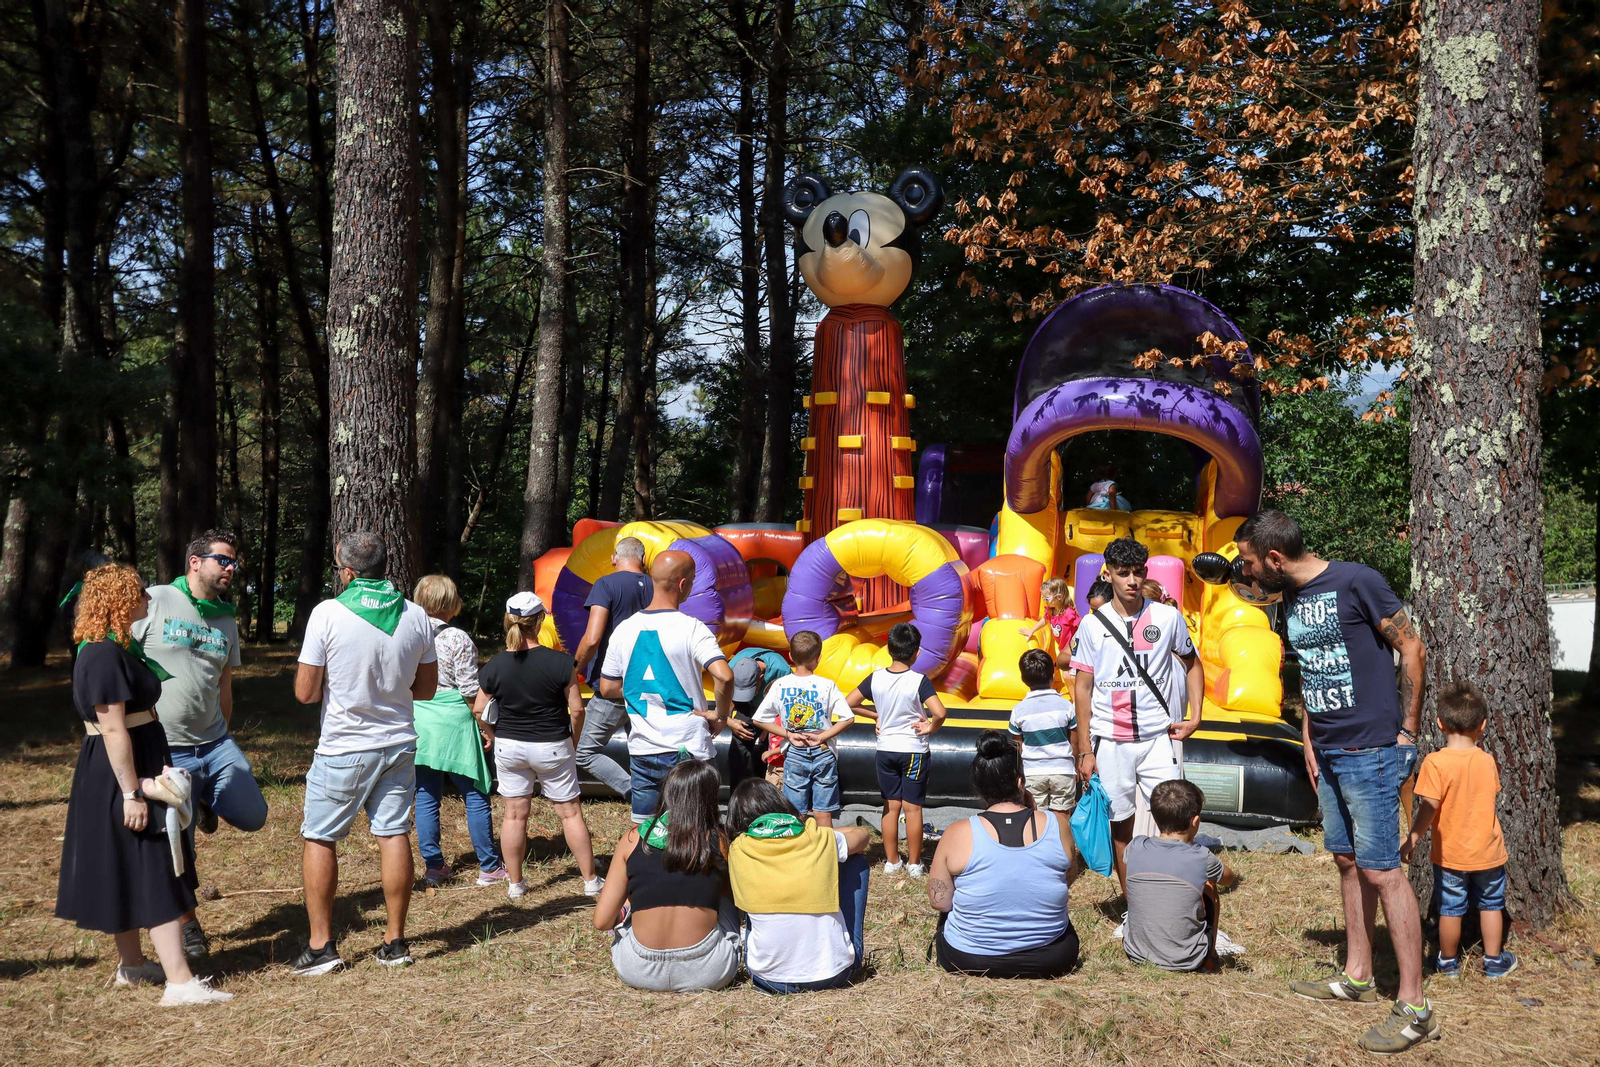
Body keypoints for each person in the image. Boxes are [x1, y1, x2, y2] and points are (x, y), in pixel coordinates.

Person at [1234, 510, 1434, 1055]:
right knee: (1347, 861)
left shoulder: (1356, 580)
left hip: (1370, 750)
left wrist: (1407, 731)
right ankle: (1358, 975)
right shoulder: (1291, 598)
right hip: (1327, 749)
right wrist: (1308, 736)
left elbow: (1412, 648)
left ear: (1275, 558)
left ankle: (1415, 1006)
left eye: (1252, 561)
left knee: (1382, 870)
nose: (1248, 570)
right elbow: (1314, 669)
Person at [56, 564, 232, 1005]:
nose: (148, 600)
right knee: (156, 864)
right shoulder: (102, 654)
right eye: (139, 593)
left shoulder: (115, 647)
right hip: (125, 772)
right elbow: (113, 730)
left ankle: (133, 967)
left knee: (126, 864)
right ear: (117, 600)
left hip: (133, 763)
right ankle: (179, 982)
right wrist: (132, 793)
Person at [291, 532, 438, 975]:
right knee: (393, 834)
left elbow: (305, 692)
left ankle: (321, 947)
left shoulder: (327, 613)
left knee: (320, 837)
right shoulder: (416, 616)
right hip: (398, 742)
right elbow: (427, 689)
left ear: (348, 572)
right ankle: (395, 943)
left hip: (344, 746)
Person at [132, 529, 268, 961]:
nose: (231, 568)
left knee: (254, 815)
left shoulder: (225, 619)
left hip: (215, 742)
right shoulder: (155, 601)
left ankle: (207, 799)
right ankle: (189, 924)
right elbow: (122, 658)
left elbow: (224, 685)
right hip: (167, 749)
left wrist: (225, 736)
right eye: (222, 560)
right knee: (179, 849)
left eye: (233, 562)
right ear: (195, 562)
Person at [1070, 537, 1204, 895]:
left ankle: (1175, 892)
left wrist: (1196, 715)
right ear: (1108, 574)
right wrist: (1084, 750)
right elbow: (1082, 688)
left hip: (1157, 738)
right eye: (1123, 573)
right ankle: (1133, 904)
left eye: (1138, 572)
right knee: (1121, 822)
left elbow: (1192, 663)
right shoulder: (1092, 624)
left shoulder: (1167, 616)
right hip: (1111, 740)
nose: (1131, 580)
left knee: (1176, 816)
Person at [474, 592, 602, 899]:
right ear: (541, 620)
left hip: (509, 746)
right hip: (553, 746)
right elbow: (578, 709)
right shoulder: (561, 663)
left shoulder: (496, 664)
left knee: (514, 816)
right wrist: (572, 741)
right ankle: (590, 881)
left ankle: (516, 884)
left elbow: (478, 709)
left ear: (509, 621)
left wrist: (490, 732)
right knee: (570, 813)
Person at [928, 731, 1083, 978]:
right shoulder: (1057, 824)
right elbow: (1067, 877)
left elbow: (940, 901)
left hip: (969, 958)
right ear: (1021, 783)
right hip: (1052, 958)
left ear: (978, 787)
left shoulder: (957, 833)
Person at [596, 550, 734, 824]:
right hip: (688, 747)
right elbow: (725, 676)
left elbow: (607, 687)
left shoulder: (624, 629)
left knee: (645, 831)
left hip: (643, 749)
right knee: (695, 831)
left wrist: (640, 690)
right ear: (683, 584)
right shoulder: (693, 628)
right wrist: (719, 715)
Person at [593, 760, 739, 991]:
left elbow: (601, 922)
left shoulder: (633, 838)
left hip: (638, 969)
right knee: (725, 894)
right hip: (707, 971)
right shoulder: (719, 841)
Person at [1402, 681, 1515, 979]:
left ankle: (1448, 963)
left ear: (1439, 723)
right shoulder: (1488, 761)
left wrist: (1413, 836)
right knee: (1491, 904)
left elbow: (1428, 807)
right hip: (1489, 851)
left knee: (1450, 907)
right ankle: (1493, 961)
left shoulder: (1435, 763)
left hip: (1451, 853)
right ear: (1484, 725)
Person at [726, 778, 872, 993]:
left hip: (768, 979)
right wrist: (829, 837)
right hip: (835, 975)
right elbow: (863, 835)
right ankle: (844, 948)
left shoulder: (738, 848)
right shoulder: (817, 838)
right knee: (856, 861)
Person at [410, 575, 504, 888]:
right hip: (454, 721)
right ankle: (489, 865)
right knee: (475, 792)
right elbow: (467, 689)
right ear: (450, 604)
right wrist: (484, 725)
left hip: (419, 717)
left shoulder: (406, 633)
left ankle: (434, 866)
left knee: (425, 794)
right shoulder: (457, 638)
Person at [846, 622, 947, 877]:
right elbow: (940, 712)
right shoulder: (918, 681)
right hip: (913, 749)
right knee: (912, 808)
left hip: (886, 749)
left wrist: (874, 716)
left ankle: (892, 861)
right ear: (916, 653)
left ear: (888, 649)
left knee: (891, 806)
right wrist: (930, 728)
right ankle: (914, 863)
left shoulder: (876, 677)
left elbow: (849, 702)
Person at [1122, 779, 1237, 972]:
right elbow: (1228, 878)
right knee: (1209, 885)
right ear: (1195, 821)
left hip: (1136, 953)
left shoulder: (1135, 846)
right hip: (1188, 959)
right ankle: (1211, 956)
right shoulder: (1201, 857)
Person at [571, 536, 653, 801]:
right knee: (644, 749)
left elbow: (593, 638)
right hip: (650, 685)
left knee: (584, 752)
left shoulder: (606, 584)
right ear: (643, 559)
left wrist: (574, 670)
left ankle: (634, 792)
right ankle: (655, 796)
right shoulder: (658, 587)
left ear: (614, 559)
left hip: (613, 686)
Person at [751, 630, 854, 827]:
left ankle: (796, 851)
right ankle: (827, 852)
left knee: (795, 812)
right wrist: (822, 736)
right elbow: (847, 718)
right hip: (823, 751)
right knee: (823, 812)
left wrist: (789, 734)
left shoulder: (780, 685)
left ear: (790, 656)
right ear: (819, 658)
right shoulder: (827, 685)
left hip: (795, 752)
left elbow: (759, 719)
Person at [1133, 577, 1190, 839]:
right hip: (1172, 734)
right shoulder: (1181, 654)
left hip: (1154, 734)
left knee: (1153, 800)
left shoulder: (1156, 658)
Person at [1007, 649, 1078, 816]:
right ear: (1053, 677)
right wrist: (1074, 767)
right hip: (1063, 770)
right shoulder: (1066, 705)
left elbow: (1018, 747)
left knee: (1037, 819)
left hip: (1033, 772)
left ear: (1023, 679)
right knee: (1062, 818)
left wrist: (1019, 774)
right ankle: (1063, 842)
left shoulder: (1019, 710)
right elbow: (1074, 742)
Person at [724, 646, 792, 791]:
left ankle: (762, 793)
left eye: (751, 689)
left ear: (761, 677)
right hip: (744, 704)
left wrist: (769, 727)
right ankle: (737, 795)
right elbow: (724, 696)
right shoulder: (729, 668)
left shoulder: (781, 671)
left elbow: (787, 705)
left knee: (765, 746)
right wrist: (729, 720)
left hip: (772, 707)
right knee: (738, 745)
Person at [1018, 577, 1079, 653]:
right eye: (1043, 598)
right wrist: (1031, 631)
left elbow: (1081, 627)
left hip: (1073, 649)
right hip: (1062, 647)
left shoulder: (1068, 613)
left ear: (1059, 597)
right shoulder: (1051, 610)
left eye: (1047, 599)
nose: (1045, 601)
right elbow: (1045, 620)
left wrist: (1074, 645)